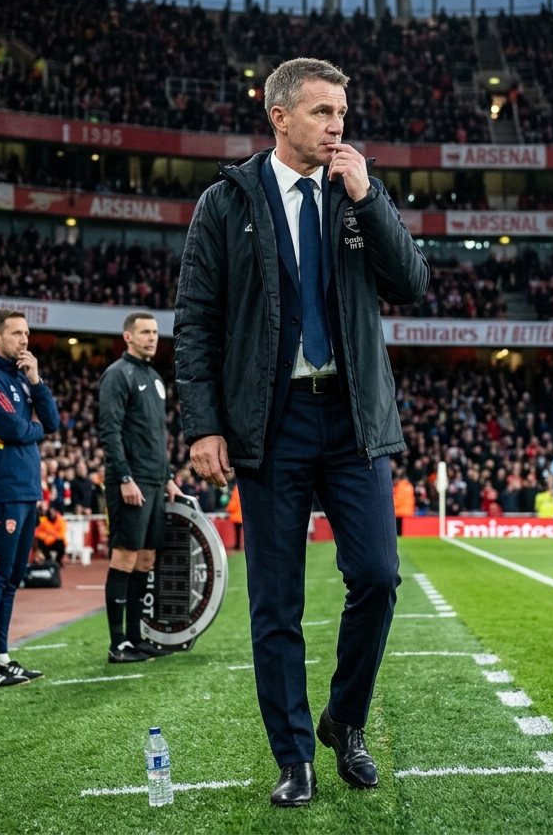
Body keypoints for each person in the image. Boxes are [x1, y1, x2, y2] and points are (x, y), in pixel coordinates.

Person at [174, 57, 428, 807]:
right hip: (270, 424)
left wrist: (369, 195)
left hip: (353, 419)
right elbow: (196, 323)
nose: (337, 125)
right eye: (321, 112)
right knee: (274, 602)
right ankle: (293, 757)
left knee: (378, 577)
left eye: (342, 112)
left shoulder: (357, 192)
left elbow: (411, 281)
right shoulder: (226, 202)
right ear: (278, 116)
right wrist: (203, 426)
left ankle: (343, 721)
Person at [0, 309, 59, 688]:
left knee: (12, 577)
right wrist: (30, 429)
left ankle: (1, 657)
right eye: (17, 333)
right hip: (0, 489)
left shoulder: (18, 375)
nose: (25, 340)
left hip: (23, 488)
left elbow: (50, 422)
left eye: (27, 333)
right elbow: (15, 428)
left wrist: (36, 380)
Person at [98, 312, 183, 664]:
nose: (152, 337)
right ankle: (117, 644)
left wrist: (167, 478)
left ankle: (136, 638)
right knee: (125, 557)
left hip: (153, 479)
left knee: (146, 560)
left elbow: (156, 437)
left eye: (155, 332)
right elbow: (110, 431)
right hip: (130, 482)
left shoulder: (155, 377)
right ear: (128, 337)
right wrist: (124, 478)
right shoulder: (117, 375)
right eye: (144, 332)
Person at [392, 467, 415, 536]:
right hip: (408, 510)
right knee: (403, 530)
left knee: (398, 530)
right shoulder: (409, 486)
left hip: (400, 510)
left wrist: (390, 505)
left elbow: (399, 499)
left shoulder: (400, 486)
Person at [227, 483, 243, 549]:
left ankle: (237, 545)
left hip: (237, 516)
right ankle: (239, 545)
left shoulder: (235, 493)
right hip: (241, 516)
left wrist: (228, 508)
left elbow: (233, 505)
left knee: (237, 533)